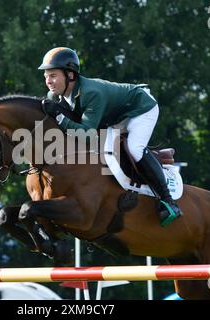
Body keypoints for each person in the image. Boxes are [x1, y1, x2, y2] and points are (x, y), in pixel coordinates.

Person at [38, 47, 182, 227]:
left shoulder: (91, 93)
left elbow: (88, 135)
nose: (48, 81)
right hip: (115, 115)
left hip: (140, 108)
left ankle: (168, 201)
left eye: (53, 76)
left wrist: (60, 118)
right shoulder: (57, 94)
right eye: (46, 76)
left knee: (134, 149)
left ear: (70, 75)